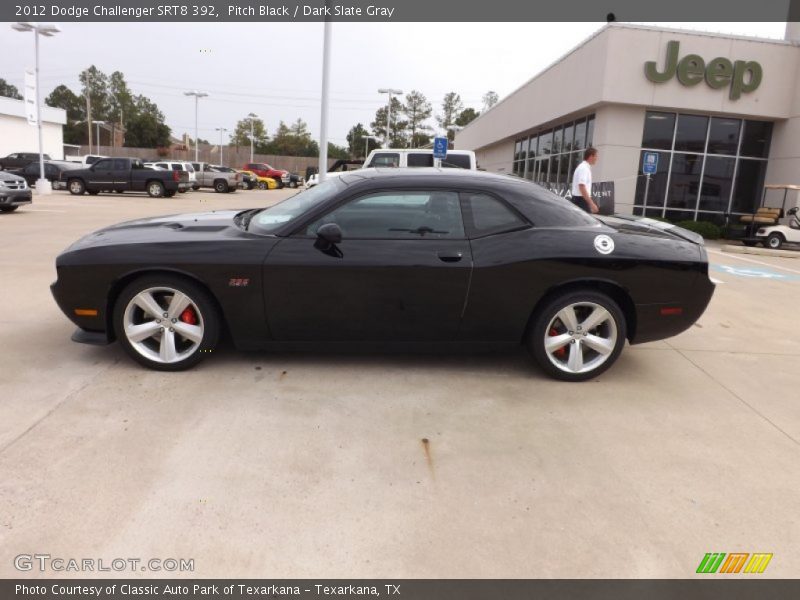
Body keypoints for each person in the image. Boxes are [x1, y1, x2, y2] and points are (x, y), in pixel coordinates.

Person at [571, 147, 600, 214]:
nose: (597, 158)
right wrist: (592, 204)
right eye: (596, 156)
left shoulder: (583, 167)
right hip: (581, 201)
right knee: (585, 220)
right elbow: (582, 186)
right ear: (591, 156)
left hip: (579, 200)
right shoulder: (584, 168)